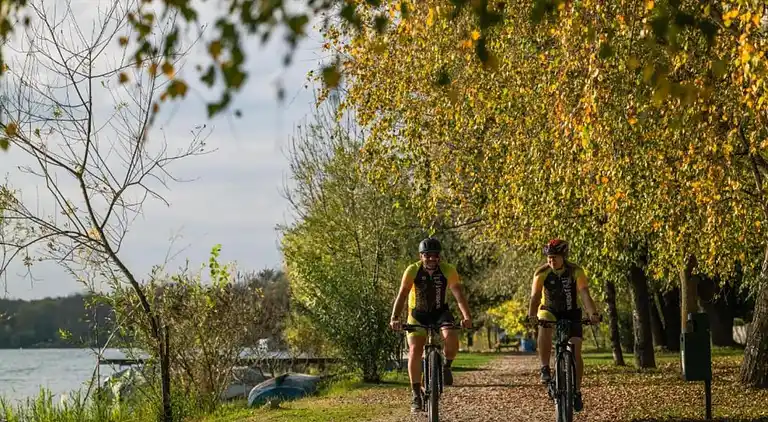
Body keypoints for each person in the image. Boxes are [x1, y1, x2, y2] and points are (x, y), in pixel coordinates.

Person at [389, 237, 472, 413]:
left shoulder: (448, 270)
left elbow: (458, 295)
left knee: (451, 339)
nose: (432, 259)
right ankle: (416, 395)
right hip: (417, 314)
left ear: (439, 256)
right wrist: (395, 317)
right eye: (428, 256)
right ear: (421, 256)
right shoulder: (412, 270)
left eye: (435, 256)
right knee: (414, 351)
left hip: (440, 312)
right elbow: (402, 295)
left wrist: (466, 316)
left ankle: (446, 366)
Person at [528, 238, 600, 412]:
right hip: (549, 309)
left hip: (571, 312)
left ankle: (576, 391)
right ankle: (544, 367)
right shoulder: (541, 272)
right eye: (549, 257)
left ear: (564, 256)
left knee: (576, 349)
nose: (551, 261)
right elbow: (536, 296)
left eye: (555, 257)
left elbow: (584, 293)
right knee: (544, 326)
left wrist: (593, 313)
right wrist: (531, 314)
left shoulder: (576, 271)